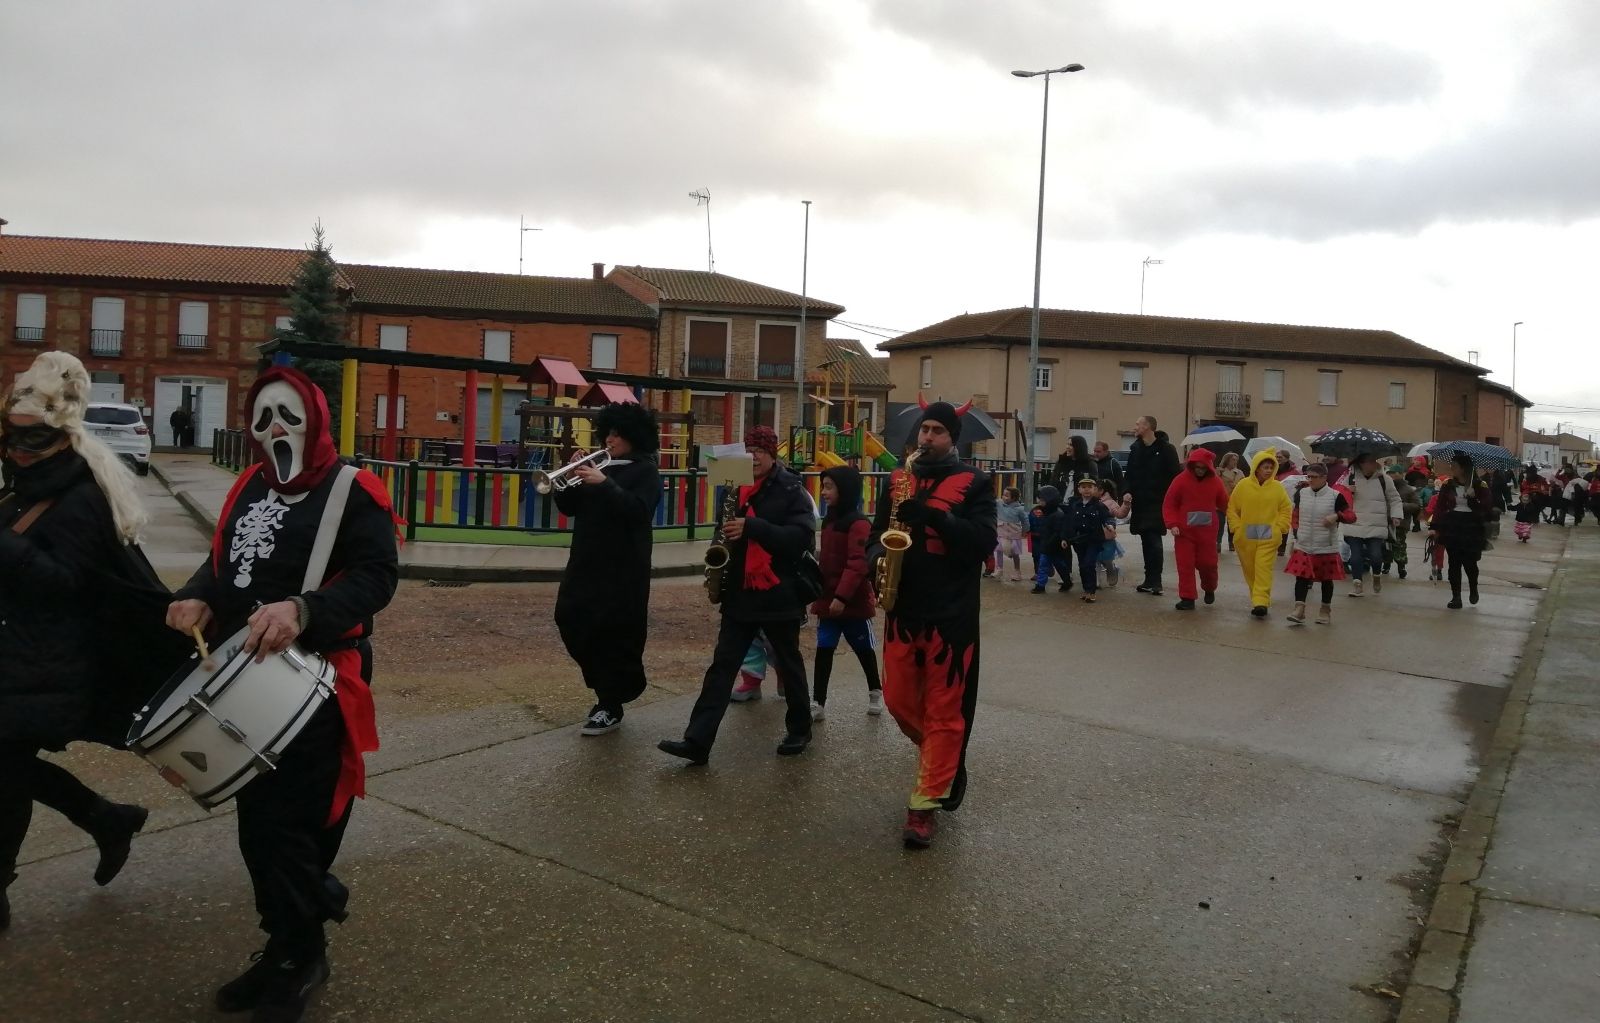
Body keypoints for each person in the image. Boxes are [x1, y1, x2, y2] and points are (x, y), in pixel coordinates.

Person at [166, 365, 400, 1023]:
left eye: (288, 416)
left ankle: (302, 950)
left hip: (319, 681)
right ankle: (290, 942)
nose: (275, 429)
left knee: (292, 826)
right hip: (247, 683)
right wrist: (194, 595)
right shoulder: (248, 484)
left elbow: (378, 576)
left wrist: (304, 607)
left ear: (316, 420)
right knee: (259, 827)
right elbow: (225, 565)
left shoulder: (355, 490)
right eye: (264, 417)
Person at [1, 352, 188, 933]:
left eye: (32, 442)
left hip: (49, 664)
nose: (17, 452)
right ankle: (106, 818)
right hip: (18, 655)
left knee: (4, 768)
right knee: (6, 768)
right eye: (11, 439)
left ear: (63, 438)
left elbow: (69, 585)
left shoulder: (81, 498)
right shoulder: (24, 487)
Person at [868, 401, 995, 848]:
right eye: (924, 429)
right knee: (899, 699)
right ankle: (946, 763)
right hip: (904, 609)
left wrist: (936, 517)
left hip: (951, 616)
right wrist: (874, 561)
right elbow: (876, 533)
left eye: (937, 431)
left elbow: (982, 542)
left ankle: (924, 806)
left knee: (945, 711)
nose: (927, 438)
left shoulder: (977, 483)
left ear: (953, 437)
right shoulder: (899, 479)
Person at [659, 426, 816, 765]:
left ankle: (800, 728)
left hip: (778, 593)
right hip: (740, 594)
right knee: (722, 667)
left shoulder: (791, 489)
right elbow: (723, 527)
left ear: (773, 454)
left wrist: (754, 527)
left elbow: (801, 538)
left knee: (788, 664)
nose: (754, 456)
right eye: (750, 450)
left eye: (761, 450)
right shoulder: (734, 485)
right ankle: (697, 741)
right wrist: (720, 547)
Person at [552, 402, 661, 736]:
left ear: (633, 436)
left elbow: (638, 511)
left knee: (614, 633)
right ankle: (605, 686)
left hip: (624, 567)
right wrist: (567, 479)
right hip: (587, 559)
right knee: (568, 617)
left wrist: (606, 484)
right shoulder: (601, 466)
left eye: (617, 434)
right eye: (608, 432)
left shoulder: (645, 471)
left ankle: (609, 703)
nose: (610, 440)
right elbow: (569, 508)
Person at [810, 465, 883, 718]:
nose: (824, 491)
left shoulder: (858, 523)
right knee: (824, 648)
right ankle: (818, 701)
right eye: (823, 486)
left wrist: (842, 596)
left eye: (829, 486)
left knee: (864, 649)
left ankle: (875, 690)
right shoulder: (830, 520)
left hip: (851, 602)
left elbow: (858, 562)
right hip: (828, 599)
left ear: (846, 490)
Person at [1285, 462, 1356, 625]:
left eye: (1314, 477)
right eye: (1308, 476)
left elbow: (1351, 516)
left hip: (1326, 545)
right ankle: (1299, 609)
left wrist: (1337, 517)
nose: (1310, 480)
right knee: (1301, 578)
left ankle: (1325, 610)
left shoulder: (1335, 496)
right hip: (1303, 544)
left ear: (1324, 478)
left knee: (1326, 580)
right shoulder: (1301, 493)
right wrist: (1296, 533)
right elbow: (1295, 515)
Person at [1161, 448, 1230, 611]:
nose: (1200, 470)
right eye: (1197, 467)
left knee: (1208, 564)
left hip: (1207, 533)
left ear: (1208, 467)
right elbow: (1169, 504)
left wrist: (1238, 519)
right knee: (1185, 565)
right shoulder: (1180, 480)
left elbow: (1225, 504)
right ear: (1191, 465)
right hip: (1184, 533)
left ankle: (1209, 587)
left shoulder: (1216, 482)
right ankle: (1187, 597)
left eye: (1203, 468)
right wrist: (1173, 524)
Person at [1226, 449, 1292, 618]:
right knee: (1250, 570)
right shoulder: (1243, 485)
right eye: (1265, 467)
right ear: (1256, 468)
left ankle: (1260, 602)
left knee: (1263, 568)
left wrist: (1280, 527)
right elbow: (1233, 508)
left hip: (1269, 537)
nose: (1269, 470)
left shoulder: (1277, 488)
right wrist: (1237, 528)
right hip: (1245, 538)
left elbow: (1285, 508)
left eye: (1271, 467)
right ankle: (1257, 598)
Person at [1124, 415, 1180, 595]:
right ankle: (1149, 579)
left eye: (1138, 424)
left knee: (1154, 538)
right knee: (1145, 539)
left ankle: (1156, 580)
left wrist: (1173, 501)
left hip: (1158, 502)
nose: (1135, 427)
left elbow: (1175, 477)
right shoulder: (1135, 449)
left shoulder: (1166, 449)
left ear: (1148, 427)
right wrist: (1126, 491)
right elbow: (1129, 474)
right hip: (1140, 502)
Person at [1430, 452, 1492, 610]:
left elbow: (1486, 508)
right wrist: (1435, 527)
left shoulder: (1479, 486)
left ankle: (1473, 588)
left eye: (1455, 465)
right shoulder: (1448, 485)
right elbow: (1440, 507)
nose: (1451, 468)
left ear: (1464, 468)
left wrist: (1472, 498)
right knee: (1454, 563)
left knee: (1470, 563)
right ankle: (1456, 596)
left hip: (1472, 527)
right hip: (1453, 525)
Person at [1341, 453, 1401, 597]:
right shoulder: (1349, 478)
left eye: (1374, 461)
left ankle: (1376, 576)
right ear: (1361, 463)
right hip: (1354, 523)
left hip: (1376, 524)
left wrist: (1396, 515)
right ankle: (1357, 585)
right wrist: (1347, 492)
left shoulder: (1384, 479)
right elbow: (1338, 498)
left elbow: (1394, 498)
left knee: (1375, 556)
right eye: (1369, 462)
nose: (1373, 464)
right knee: (1355, 557)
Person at [1061, 477, 1113, 603]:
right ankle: (1086, 589)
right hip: (1079, 540)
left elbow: (1107, 517)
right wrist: (1065, 538)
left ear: (1095, 489)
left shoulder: (1099, 505)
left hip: (1094, 539)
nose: (1087, 490)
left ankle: (1091, 591)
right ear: (1079, 489)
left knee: (1089, 563)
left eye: (1090, 487)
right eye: (1084, 487)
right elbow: (1068, 523)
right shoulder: (1074, 505)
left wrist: (1110, 525)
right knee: (1082, 565)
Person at [1028, 485, 1069, 594]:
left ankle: (1066, 581)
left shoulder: (1057, 514)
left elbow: (1057, 532)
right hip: (1047, 545)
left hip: (1053, 545)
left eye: (1042, 499)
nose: (1039, 501)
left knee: (1059, 565)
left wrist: (1049, 543)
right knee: (1044, 565)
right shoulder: (1044, 512)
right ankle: (1041, 585)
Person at [1381, 466, 1419, 580]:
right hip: (1385, 522)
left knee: (1399, 545)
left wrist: (1401, 505)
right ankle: (1386, 565)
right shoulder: (1384, 487)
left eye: (1394, 473)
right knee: (1386, 545)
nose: (1391, 476)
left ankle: (1401, 567)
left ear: (1401, 474)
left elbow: (1416, 505)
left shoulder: (1408, 489)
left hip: (1401, 523)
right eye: (1389, 473)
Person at [993, 485, 1029, 582]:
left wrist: (1025, 531)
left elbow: (1025, 520)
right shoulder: (999, 503)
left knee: (1015, 553)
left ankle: (1017, 571)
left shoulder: (1019, 509)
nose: (1003, 497)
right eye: (1003, 495)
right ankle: (999, 569)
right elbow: (990, 501)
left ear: (1013, 498)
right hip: (1001, 532)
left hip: (1014, 534)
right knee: (998, 550)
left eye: (1006, 495)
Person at [1215, 452, 1246, 551]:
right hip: (1221, 500)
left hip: (1234, 500)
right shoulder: (1219, 471)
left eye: (1236, 460)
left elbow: (1244, 486)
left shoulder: (1240, 473)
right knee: (1220, 522)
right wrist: (1218, 474)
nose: (1235, 462)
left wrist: (1236, 486)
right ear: (1227, 460)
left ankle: (1232, 543)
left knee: (1232, 523)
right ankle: (1217, 542)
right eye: (1233, 459)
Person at [1514, 468, 1544, 542]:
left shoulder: (1538, 479)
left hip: (1534, 497)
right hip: (1529, 497)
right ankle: (1523, 533)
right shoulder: (1528, 479)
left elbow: (1542, 486)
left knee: (1531, 513)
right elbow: (1523, 487)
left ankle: (1524, 534)